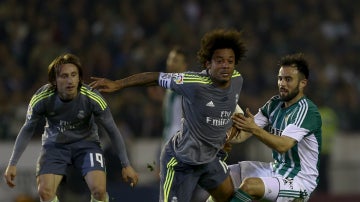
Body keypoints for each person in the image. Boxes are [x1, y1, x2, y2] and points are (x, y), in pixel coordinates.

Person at [90, 28, 247, 202]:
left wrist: (225, 135)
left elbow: (226, 111)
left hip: (209, 159)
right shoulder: (192, 82)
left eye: (230, 61)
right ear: (208, 64)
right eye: (219, 61)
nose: (226, 65)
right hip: (182, 161)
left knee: (232, 197)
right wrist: (118, 84)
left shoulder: (237, 80)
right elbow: (156, 77)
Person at [4, 53, 139, 202]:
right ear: (54, 81)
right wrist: (12, 163)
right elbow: (27, 129)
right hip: (55, 146)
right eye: (64, 76)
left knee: (99, 191)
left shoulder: (92, 97)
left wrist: (126, 165)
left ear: (79, 78)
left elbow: (112, 130)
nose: (70, 80)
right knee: (45, 192)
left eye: (74, 75)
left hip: (87, 145)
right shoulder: (42, 97)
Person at [227, 53, 322, 201]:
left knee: (249, 186)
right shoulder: (274, 104)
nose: (282, 84)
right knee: (222, 176)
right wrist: (224, 135)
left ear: (303, 83)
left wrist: (254, 129)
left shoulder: (307, 111)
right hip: (275, 170)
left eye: (288, 79)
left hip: (299, 181)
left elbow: (283, 145)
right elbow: (244, 133)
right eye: (280, 78)